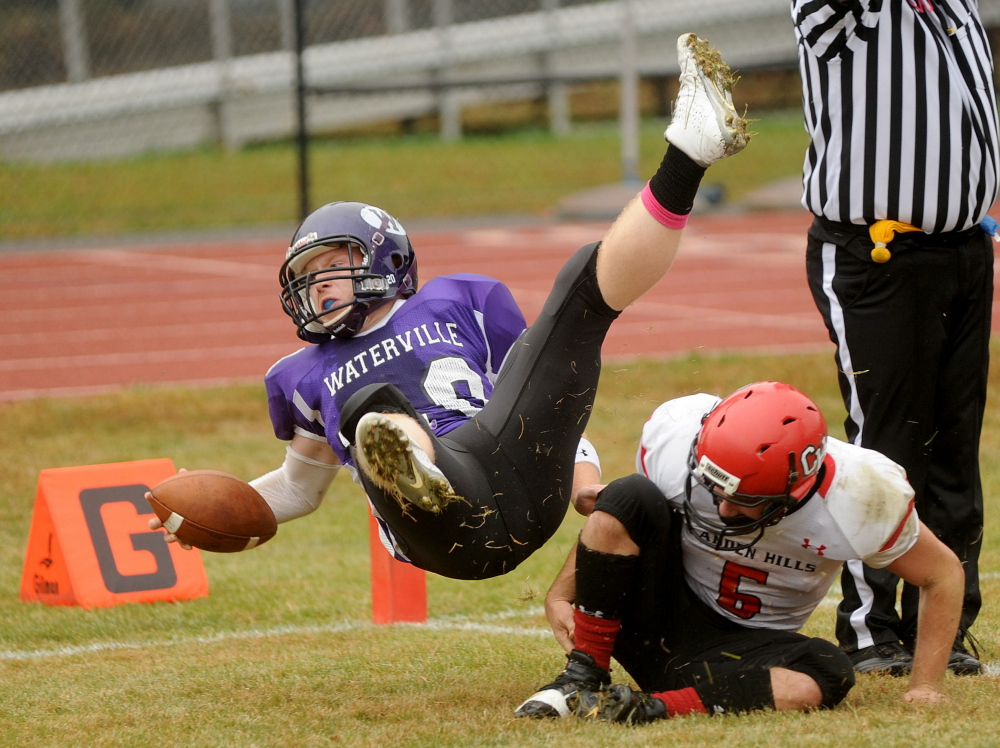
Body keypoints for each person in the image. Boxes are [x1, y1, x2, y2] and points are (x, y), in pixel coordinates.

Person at [149, 34, 751, 581]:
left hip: (521, 475)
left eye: (328, 266)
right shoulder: (303, 375)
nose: (317, 287)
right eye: (305, 279)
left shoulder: (461, 301)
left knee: (577, 291)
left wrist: (585, 482)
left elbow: (546, 398)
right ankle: (413, 465)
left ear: (383, 259)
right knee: (370, 412)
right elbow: (298, 490)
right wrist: (204, 513)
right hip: (445, 534)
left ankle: (689, 153)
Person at [515, 381, 964, 723]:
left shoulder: (861, 496)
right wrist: (560, 593)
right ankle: (582, 675)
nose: (724, 507)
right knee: (630, 494)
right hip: (653, 616)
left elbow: (941, 574)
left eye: (746, 501)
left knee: (829, 669)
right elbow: (620, 517)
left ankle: (645, 709)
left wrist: (926, 685)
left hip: (740, 654)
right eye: (716, 489)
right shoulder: (677, 437)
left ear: (798, 489)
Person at [792, 0, 998, 676]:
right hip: (875, 254)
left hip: (963, 248)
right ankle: (868, 626)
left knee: (954, 447)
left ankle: (942, 624)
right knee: (887, 440)